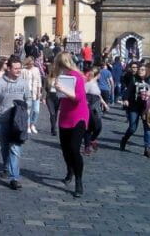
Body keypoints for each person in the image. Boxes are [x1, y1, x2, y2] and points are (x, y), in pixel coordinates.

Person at [0, 56, 31, 190]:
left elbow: (28, 98)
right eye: (16, 68)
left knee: (15, 148)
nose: (18, 70)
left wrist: (25, 109)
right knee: (5, 146)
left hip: (18, 122)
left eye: (19, 68)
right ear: (9, 68)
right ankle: (6, 166)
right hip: (2, 120)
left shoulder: (23, 83)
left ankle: (14, 178)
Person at [51, 52, 88, 198]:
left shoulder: (77, 76)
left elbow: (78, 98)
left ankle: (79, 181)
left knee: (74, 148)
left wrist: (62, 90)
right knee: (65, 149)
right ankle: (69, 170)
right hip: (65, 115)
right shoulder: (62, 76)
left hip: (79, 116)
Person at [119, 64, 150, 158]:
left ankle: (147, 148)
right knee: (132, 128)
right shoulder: (134, 79)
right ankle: (124, 139)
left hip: (146, 108)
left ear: (146, 70)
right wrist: (125, 99)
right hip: (134, 107)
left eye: (142, 69)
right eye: (139, 69)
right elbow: (128, 91)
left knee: (147, 128)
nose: (140, 71)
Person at [83, 65, 108, 155]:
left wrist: (104, 103)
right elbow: (83, 94)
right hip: (90, 107)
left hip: (96, 106)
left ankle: (91, 141)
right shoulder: (88, 84)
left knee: (97, 127)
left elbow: (98, 94)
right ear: (97, 75)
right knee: (92, 127)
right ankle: (87, 146)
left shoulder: (95, 83)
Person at [22, 57, 42, 134]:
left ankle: (33, 124)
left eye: (32, 63)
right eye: (30, 63)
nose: (32, 65)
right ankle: (28, 126)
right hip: (26, 92)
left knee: (36, 110)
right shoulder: (23, 70)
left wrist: (39, 91)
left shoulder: (36, 69)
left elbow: (39, 81)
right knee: (28, 110)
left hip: (35, 91)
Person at [44, 60, 60, 136]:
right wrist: (43, 98)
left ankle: (52, 127)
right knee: (52, 113)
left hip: (57, 97)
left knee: (56, 113)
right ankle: (54, 129)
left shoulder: (59, 79)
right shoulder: (47, 78)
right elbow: (44, 88)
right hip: (49, 96)